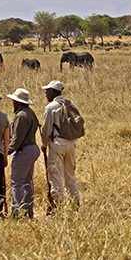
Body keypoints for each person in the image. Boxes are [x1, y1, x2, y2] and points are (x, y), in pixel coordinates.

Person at [41, 80, 80, 209]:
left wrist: (44, 144)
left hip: (57, 143)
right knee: (70, 175)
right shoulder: (71, 104)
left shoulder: (51, 107)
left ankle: (58, 205)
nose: (46, 94)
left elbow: (46, 130)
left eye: (47, 91)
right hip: (71, 143)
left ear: (52, 92)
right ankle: (75, 203)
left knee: (55, 174)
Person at [6, 88, 40, 218]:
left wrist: (6, 152)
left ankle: (17, 212)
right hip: (32, 148)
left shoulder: (20, 116)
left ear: (17, 102)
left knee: (17, 182)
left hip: (24, 150)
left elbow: (16, 140)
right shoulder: (30, 113)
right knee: (27, 182)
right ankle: (28, 211)